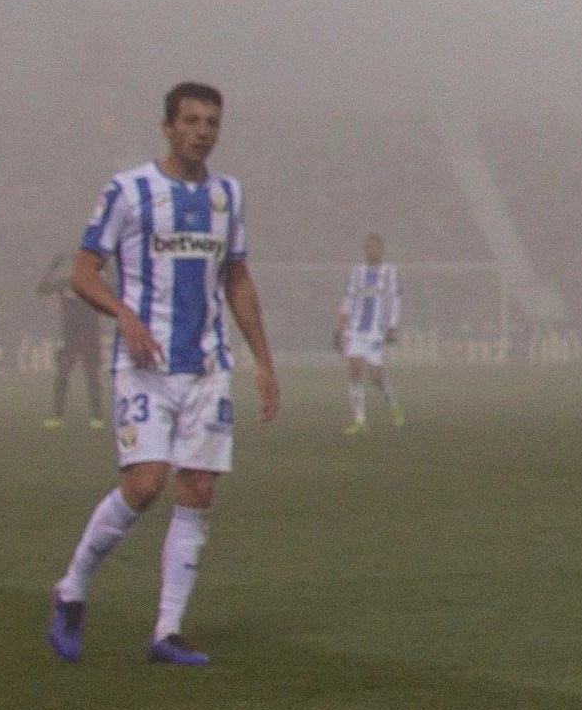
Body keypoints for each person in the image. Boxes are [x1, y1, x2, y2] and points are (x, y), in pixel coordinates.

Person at [45, 81, 280, 667]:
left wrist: (263, 360)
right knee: (146, 484)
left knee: (197, 489)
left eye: (213, 122)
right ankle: (72, 590)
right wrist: (122, 313)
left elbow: (237, 279)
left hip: (207, 368)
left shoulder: (228, 196)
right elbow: (82, 271)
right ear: (168, 127)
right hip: (145, 367)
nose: (203, 131)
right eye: (192, 120)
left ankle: (167, 631)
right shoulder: (129, 191)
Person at [336, 233, 404, 431]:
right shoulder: (357, 272)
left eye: (373, 247)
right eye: (367, 247)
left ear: (381, 250)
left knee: (375, 376)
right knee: (355, 371)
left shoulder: (390, 272)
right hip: (356, 329)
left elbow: (395, 300)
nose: (369, 250)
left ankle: (392, 404)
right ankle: (359, 420)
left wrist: (392, 325)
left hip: (377, 330)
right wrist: (339, 328)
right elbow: (348, 299)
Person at [38, 248, 111, 428]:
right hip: (69, 336)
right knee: (62, 373)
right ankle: (57, 415)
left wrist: (109, 271)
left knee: (93, 376)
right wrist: (52, 268)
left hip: (90, 336)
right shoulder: (66, 283)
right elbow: (42, 289)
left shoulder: (95, 284)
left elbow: (116, 291)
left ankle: (96, 416)